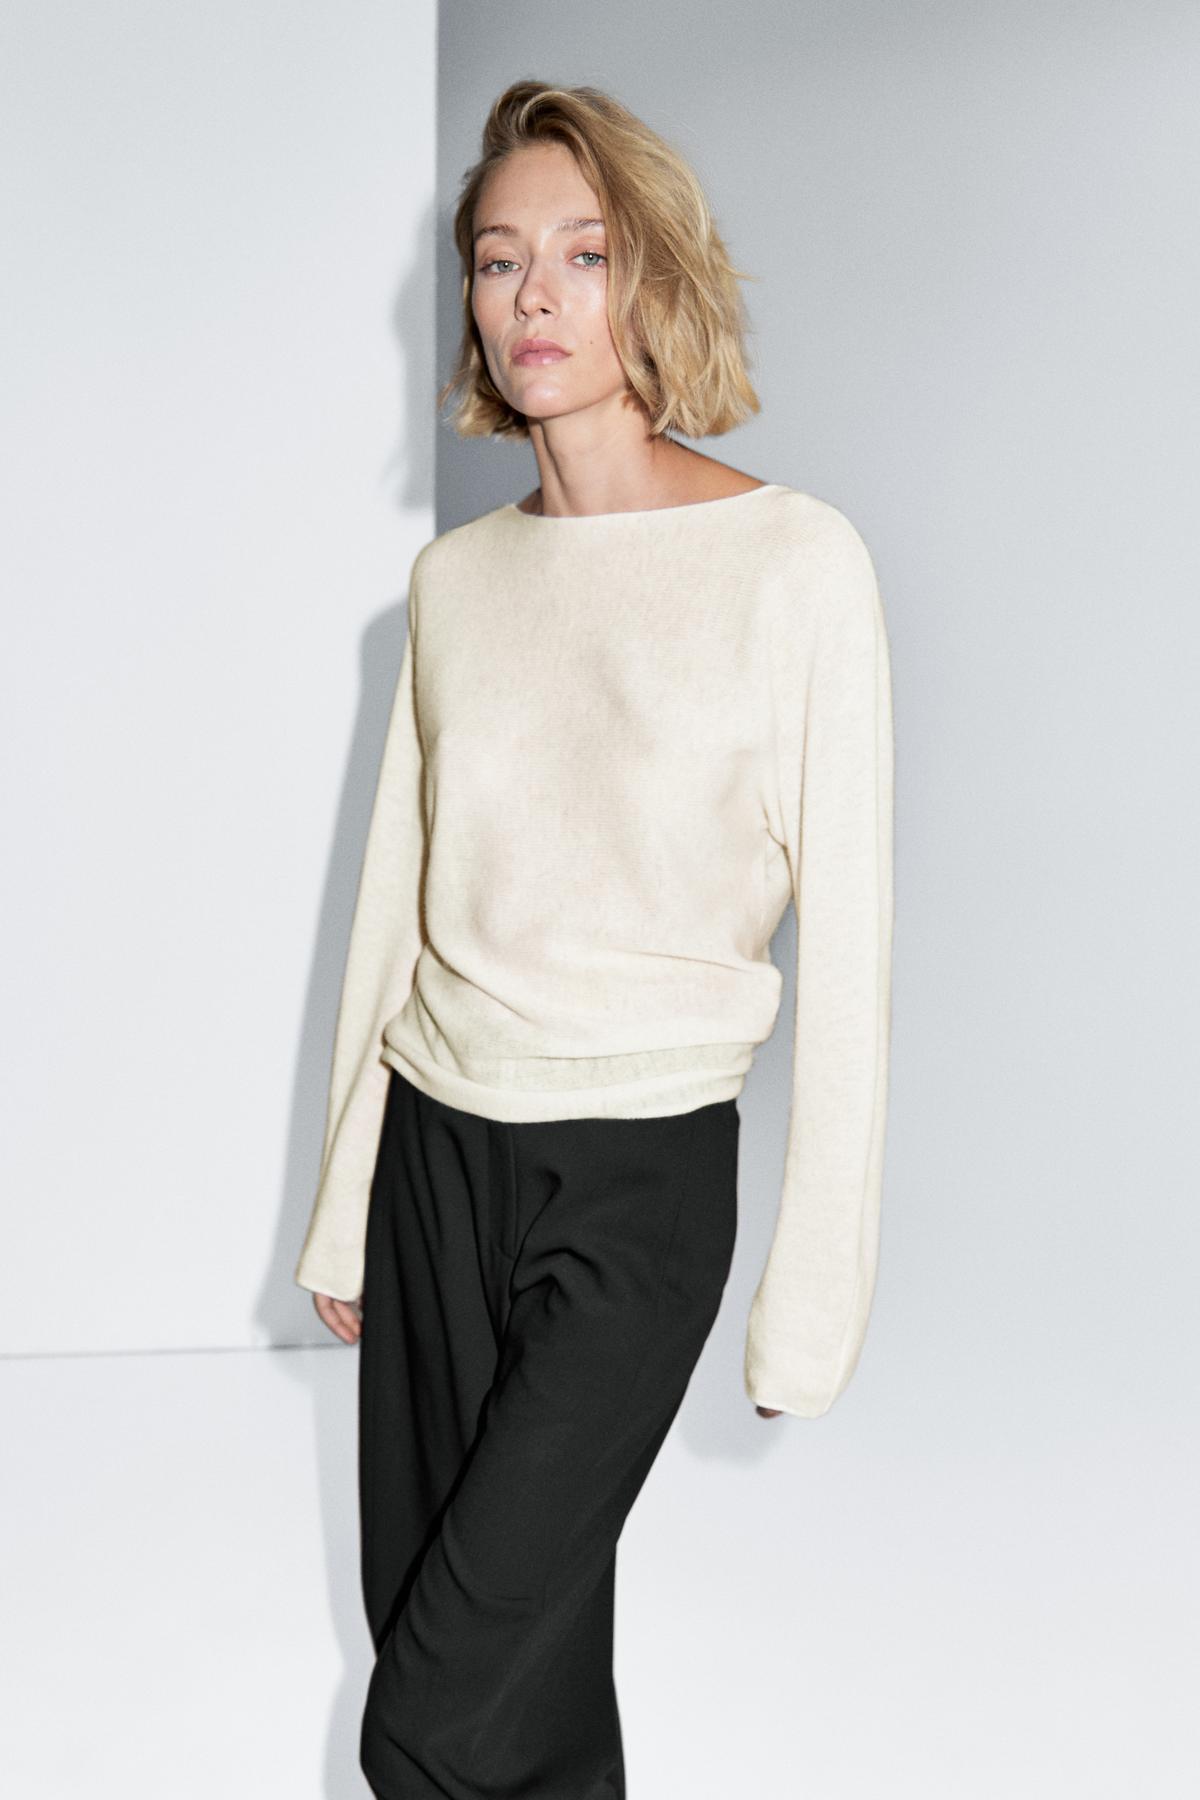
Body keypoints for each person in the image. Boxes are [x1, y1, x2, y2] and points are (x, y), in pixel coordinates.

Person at [294, 78, 895, 1800]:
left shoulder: (795, 566)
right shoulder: (454, 587)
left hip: (637, 1183)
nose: (535, 295)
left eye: (585, 253)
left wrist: (809, 1303)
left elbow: (855, 956)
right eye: (500, 260)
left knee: (433, 1707)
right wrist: (346, 1195)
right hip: (436, 1160)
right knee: (515, 1692)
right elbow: (395, 905)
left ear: (655, 282)